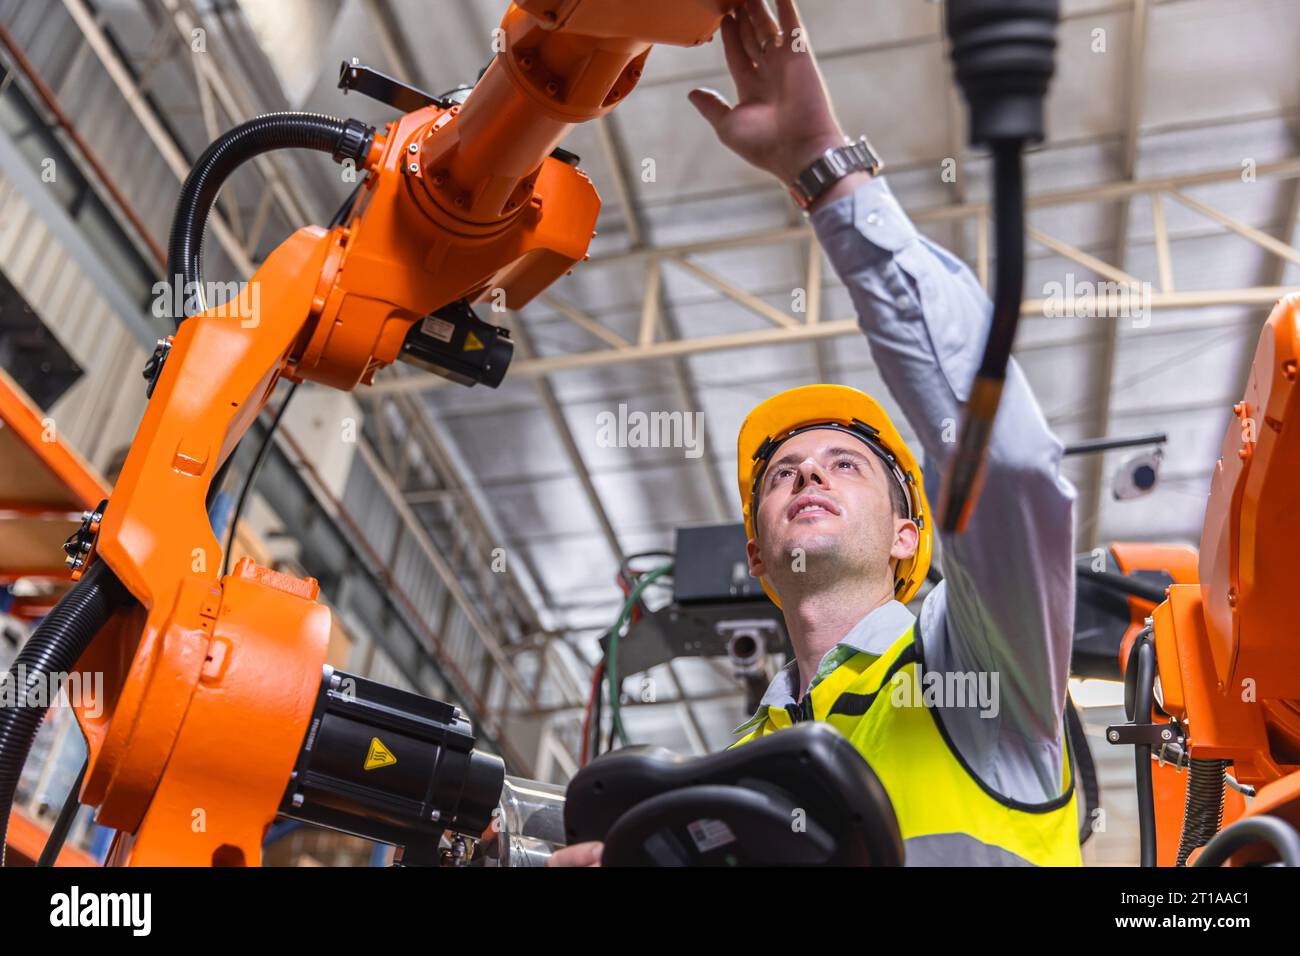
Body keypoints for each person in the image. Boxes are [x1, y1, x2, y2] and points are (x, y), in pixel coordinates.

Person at [549, 0, 1080, 867]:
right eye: (784, 474)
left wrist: (823, 173)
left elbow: (1010, 468)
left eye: (845, 464)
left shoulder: (975, 670)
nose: (806, 477)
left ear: (911, 535)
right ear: (756, 557)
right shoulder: (724, 777)